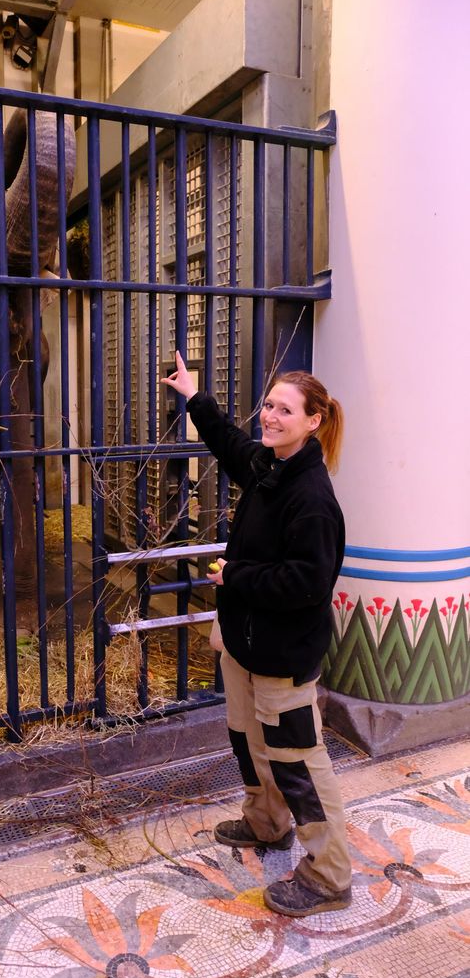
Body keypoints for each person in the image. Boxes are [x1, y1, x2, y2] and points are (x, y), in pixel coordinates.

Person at [162, 352, 351, 918]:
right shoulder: (271, 468)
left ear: (314, 420)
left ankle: (329, 875)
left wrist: (237, 575)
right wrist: (195, 397)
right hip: (245, 647)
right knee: (248, 740)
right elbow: (228, 444)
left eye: (284, 410)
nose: (269, 416)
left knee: (297, 761)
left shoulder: (312, 498)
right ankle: (267, 823)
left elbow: (309, 582)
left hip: (283, 657)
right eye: (268, 404)